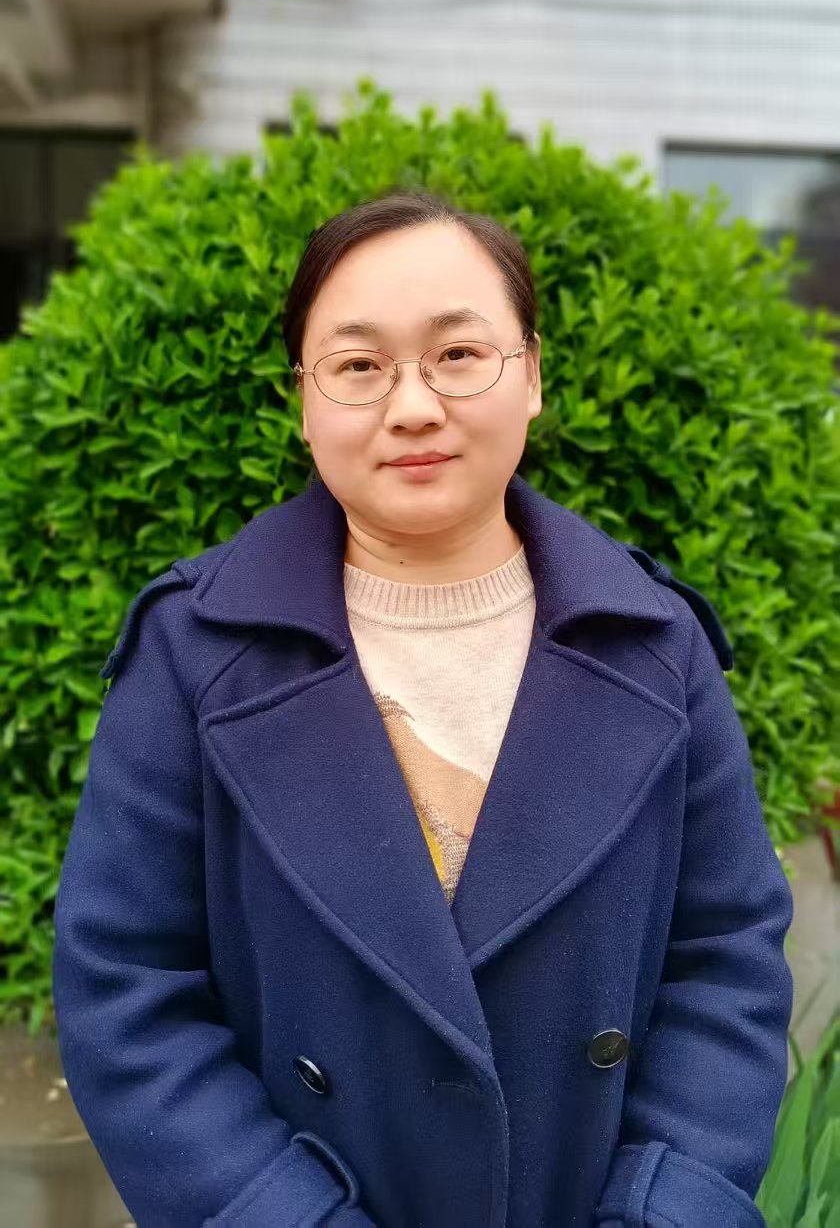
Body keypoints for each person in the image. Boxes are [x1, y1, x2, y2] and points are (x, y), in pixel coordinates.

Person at [52, 189, 794, 1227]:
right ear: (304, 399)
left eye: (458, 354)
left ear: (532, 375)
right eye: (359, 366)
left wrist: (663, 1209)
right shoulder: (195, 651)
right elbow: (126, 985)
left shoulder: (654, 644)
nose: (412, 406)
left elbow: (726, 961)